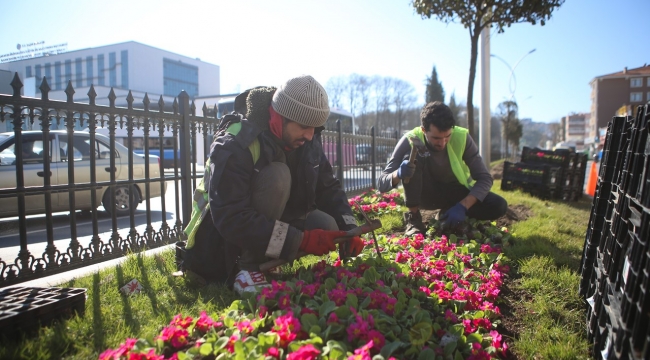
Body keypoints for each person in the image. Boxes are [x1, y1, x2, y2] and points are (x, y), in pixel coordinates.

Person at [181, 75, 364, 295]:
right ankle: (246, 268)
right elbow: (230, 216)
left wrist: (350, 228)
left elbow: (328, 187)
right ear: (279, 118)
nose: (310, 135)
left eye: (315, 128)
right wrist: (301, 240)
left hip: (262, 222)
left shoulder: (306, 138)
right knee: (278, 176)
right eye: (304, 126)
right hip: (219, 243)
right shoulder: (236, 142)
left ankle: (267, 260)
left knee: (327, 225)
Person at [377, 101, 508, 236]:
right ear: (424, 130)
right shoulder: (411, 139)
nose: (442, 143)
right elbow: (381, 183)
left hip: (455, 194)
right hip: (425, 195)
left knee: (499, 205)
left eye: (447, 136)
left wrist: (463, 206)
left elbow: (485, 178)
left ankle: (447, 214)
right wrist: (398, 174)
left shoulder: (462, 137)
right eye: (436, 138)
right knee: (413, 158)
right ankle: (414, 220)